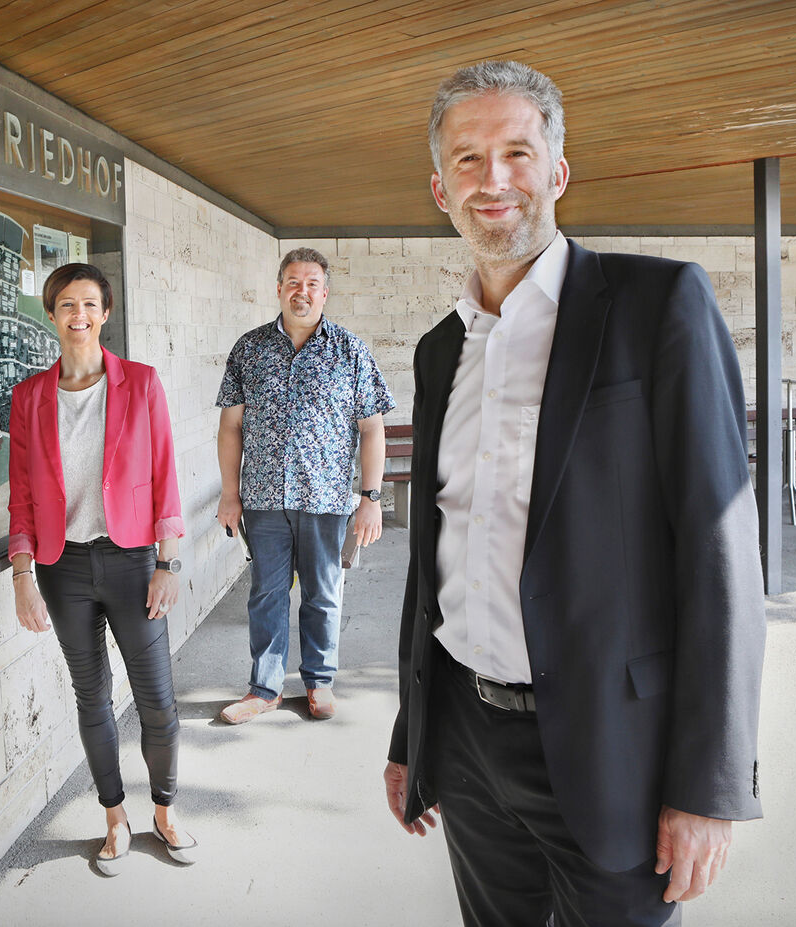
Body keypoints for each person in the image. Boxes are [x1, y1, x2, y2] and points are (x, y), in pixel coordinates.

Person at [382, 61, 766, 925]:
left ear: (558, 172)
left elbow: (720, 554)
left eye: (517, 152)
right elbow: (433, 556)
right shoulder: (440, 350)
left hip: (612, 749)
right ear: (440, 188)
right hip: (467, 744)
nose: (494, 178)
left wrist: (708, 784)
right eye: (468, 159)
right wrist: (415, 735)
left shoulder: (657, 305)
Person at [8, 263, 196, 875]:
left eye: (90, 304)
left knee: (156, 698)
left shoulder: (140, 383)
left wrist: (168, 561)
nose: (79, 315)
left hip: (133, 560)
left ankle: (165, 808)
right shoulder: (29, 397)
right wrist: (23, 576)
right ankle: (114, 815)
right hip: (62, 568)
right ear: (51, 314)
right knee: (91, 697)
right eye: (67, 304)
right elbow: (20, 495)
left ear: (106, 313)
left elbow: (165, 475)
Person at [215, 248, 395, 723]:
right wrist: (230, 494)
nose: (303, 291)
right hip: (263, 498)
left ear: (325, 292)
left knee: (323, 593)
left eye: (312, 283)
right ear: (279, 289)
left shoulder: (351, 351)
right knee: (266, 594)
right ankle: (264, 688)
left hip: (326, 498)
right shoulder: (248, 349)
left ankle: (319, 682)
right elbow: (230, 427)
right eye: (293, 282)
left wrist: (371, 498)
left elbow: (372, 429)